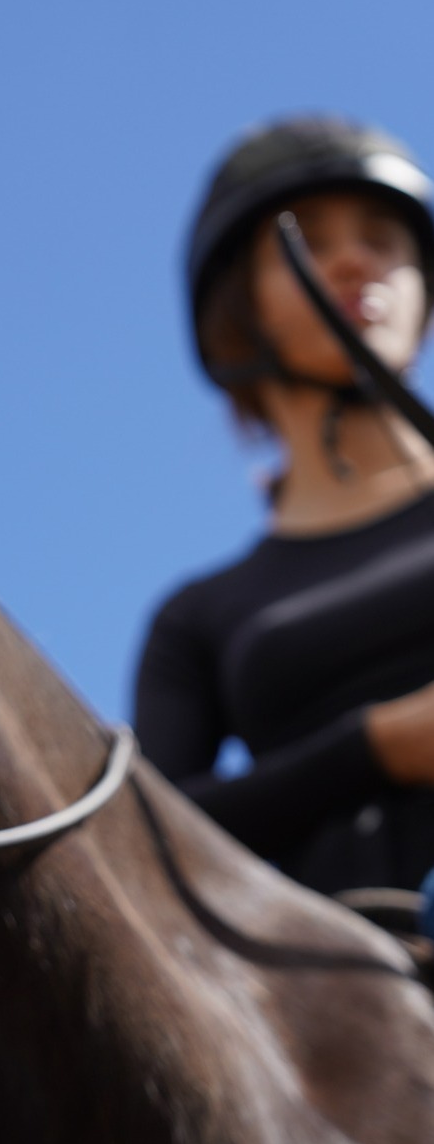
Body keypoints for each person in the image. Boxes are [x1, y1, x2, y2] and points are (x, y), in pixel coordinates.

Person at [134, 115, 434, 895]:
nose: (353, 259)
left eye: (382, 238)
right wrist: (374, 746)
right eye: (307, 243)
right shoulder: (196, 616)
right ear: (239, 306)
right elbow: (148, 834)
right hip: (338, 977)